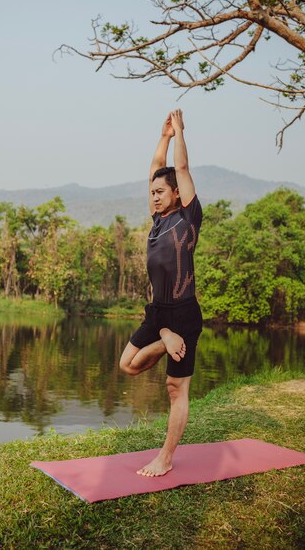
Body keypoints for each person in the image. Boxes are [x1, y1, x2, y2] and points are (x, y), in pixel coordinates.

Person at [119, 109, 203, 477]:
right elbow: (157, 166)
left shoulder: (188, 218)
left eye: (159, 192)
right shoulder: (157, 220)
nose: (153, 197)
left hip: (183, 311)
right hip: (158, 314)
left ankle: (165, 458)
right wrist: (163, 137)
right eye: (151, 192)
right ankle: (165, 337)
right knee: (128, 366)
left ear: (175, 194)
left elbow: (179, 170)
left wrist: (180, 133)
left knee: (175, 388)